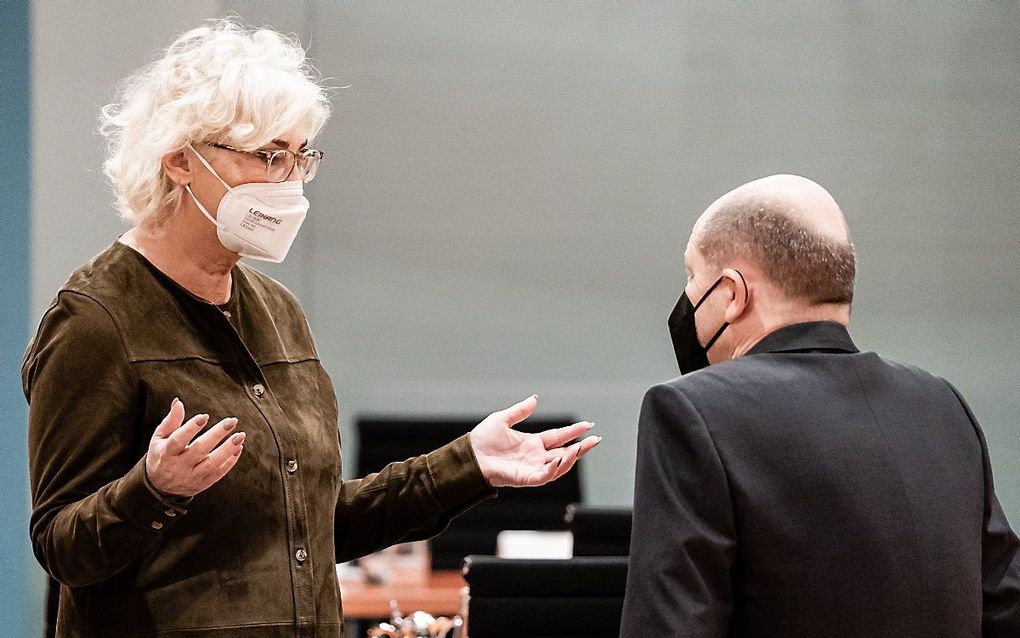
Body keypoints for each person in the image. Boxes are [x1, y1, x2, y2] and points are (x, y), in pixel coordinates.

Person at [22, 20, 599, 638]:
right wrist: (154, 489)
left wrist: (467, 465)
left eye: (301, 156)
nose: (289, 181)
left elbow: (314, 528)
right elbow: (62, 546)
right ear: (181, 162)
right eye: (270, 156)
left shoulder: (279, 313)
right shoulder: (93, 320)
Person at [619, 174, 1020, 636]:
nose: (687, 297)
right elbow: (1005, 610)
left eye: (692, 276)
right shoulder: (945, 408)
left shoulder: (691, 412)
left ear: (731, 293)